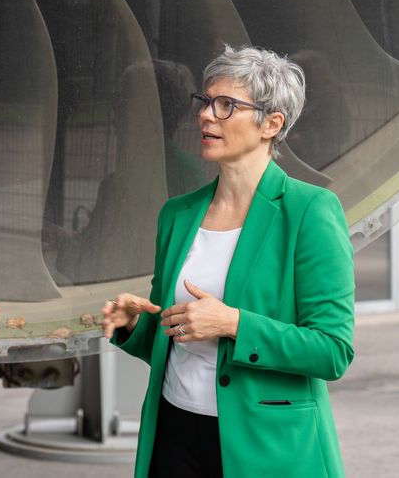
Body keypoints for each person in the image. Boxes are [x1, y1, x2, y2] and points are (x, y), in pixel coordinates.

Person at [102, 45, 355, 478]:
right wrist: (135, 325)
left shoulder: (310, 211)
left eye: (227, 106)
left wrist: (235, 324)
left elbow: (332, 351)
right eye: (205, 102)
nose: (206, 116)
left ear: (271, 124)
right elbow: (179, 334)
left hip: (267, 444)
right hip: (174, 432)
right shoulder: (178, 215)